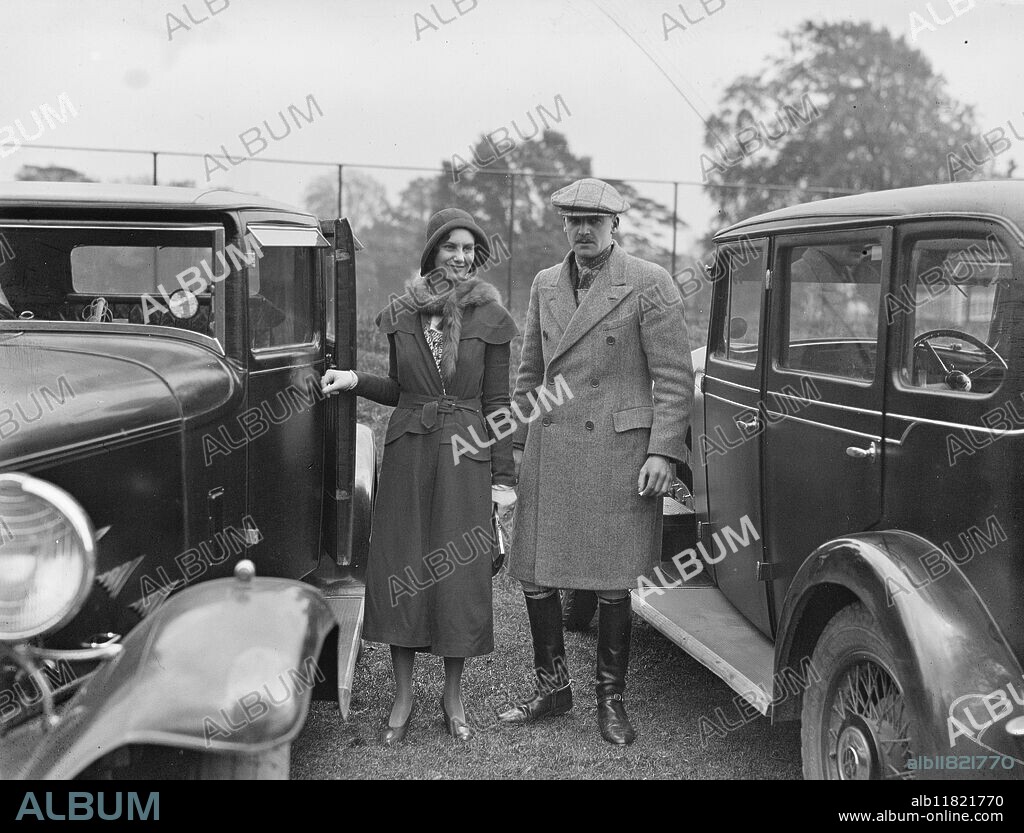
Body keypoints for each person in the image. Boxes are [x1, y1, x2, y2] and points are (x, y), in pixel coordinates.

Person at [499, 178, 693, 745]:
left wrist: (663, 451)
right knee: (535, 572)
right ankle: (554, 689)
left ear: (615, 225)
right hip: (553, 444)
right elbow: (530, 373)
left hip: (619, 451)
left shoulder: (649, 282)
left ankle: (611, 700)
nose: (583, 230)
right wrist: (515, 444)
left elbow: (676, 380)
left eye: (595, 220)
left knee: (612, 580)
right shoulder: (544, 284)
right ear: (564, 224)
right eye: (574, 220)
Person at [321, 208, 518, 744]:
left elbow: (498, 403)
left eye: (468, 249)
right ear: (431, 254)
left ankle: (453, 698)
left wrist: (503, 480)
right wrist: (355, 378)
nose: (460, 257)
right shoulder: (402, 315)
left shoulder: (491, 318)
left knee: (457, 575)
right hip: (409, 452)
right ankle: (403, 696)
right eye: (450, 247)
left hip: (465, 456)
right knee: (403, 566)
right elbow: (401, 390)